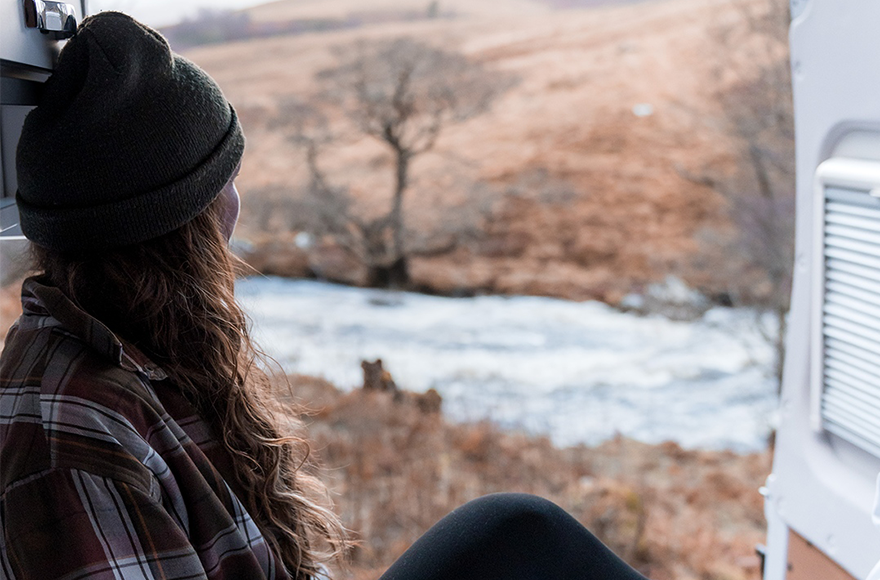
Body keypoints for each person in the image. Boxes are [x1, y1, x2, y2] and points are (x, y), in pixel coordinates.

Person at [0, 12, 649, 580]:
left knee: (517, 531)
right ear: (186, 223)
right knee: (525, 535)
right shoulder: (73, 428)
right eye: (224, 183)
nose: (235, 208)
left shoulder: (129, 350)